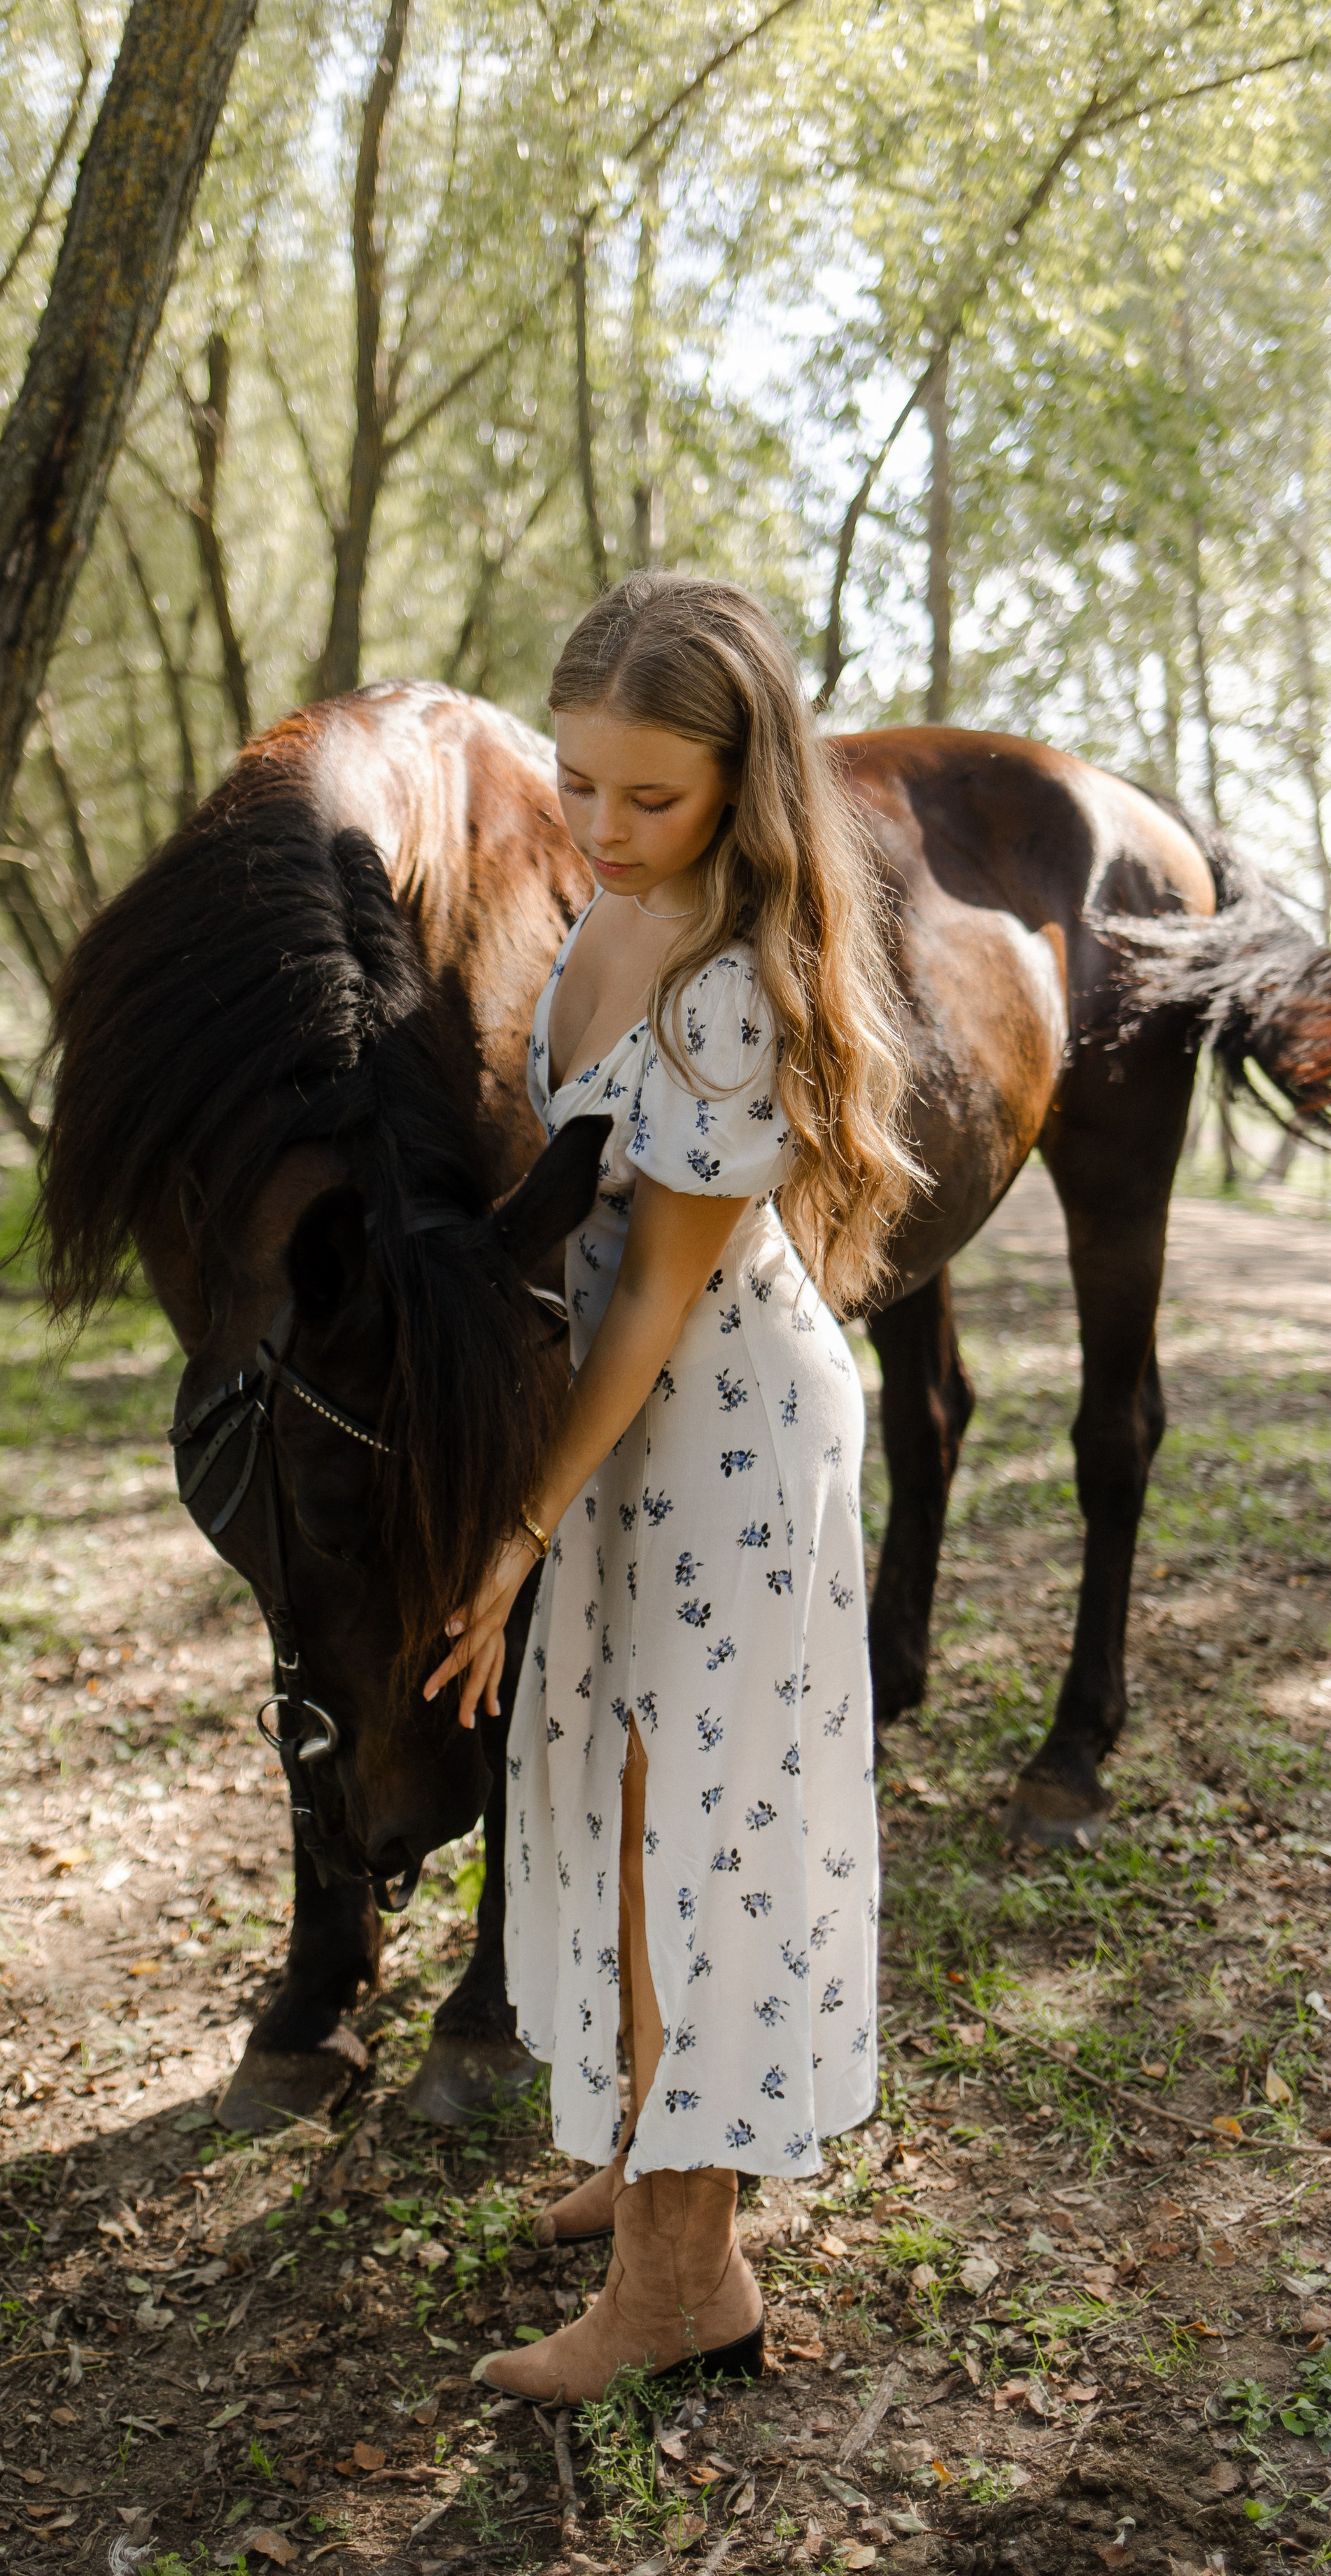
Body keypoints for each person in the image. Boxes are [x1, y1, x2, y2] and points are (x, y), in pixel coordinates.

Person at [423, 573, 920, 2404]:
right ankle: (647, 2163)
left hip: (717, 1435)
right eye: (579, 787)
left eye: (655, 796)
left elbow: (652, 1293)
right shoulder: (602, 913)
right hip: (622, 1428)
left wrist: (521, 1527)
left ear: (746, 783)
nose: (608, 831)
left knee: (685, 1838)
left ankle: (682, 2279)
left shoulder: (730, 981)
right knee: (628, 1819)